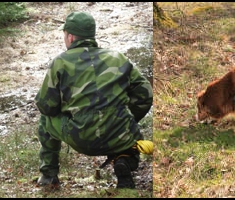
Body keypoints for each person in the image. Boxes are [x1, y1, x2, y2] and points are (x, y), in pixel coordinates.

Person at [34, 11, 153, 189]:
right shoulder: (118, 58)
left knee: (46, 121)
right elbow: (145, 95)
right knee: (131, 132)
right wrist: (126, 118)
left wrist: (68, 110)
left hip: (81, 138)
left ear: (71, 37)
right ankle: (125, 161)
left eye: (65, 35)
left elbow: (46, 107)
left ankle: (49, 175)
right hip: (119, 136)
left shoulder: (60, 62)